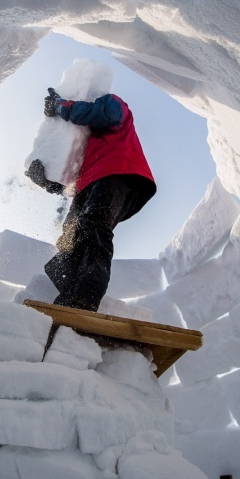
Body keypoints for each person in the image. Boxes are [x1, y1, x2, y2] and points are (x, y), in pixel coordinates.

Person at [26, 88, 156, 312]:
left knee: (93, 225)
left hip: (119, 171)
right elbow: (72, 185)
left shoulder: (114, 103)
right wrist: (47, 181)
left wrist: (61, 106)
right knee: (69, 238)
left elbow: (106, 113)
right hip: (92, 183)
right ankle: (69, 297)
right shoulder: (85, 148)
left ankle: (86, 298)